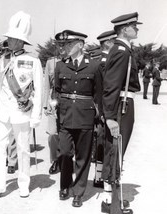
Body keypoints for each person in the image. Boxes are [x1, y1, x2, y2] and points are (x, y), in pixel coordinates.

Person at [0, 11, 43, 199]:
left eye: (12, 38)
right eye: (9, 38)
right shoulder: (4, 59)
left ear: (20, 41)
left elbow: (39, 89)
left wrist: (36, 115)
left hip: (22, 112)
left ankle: (24, 183)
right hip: (3, 111)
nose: (9, 41)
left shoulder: (34, 61)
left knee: (23, 148)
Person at [54, 29, 102, 207]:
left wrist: (99, 116)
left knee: (83, 156)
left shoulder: (94, 66)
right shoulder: (61, 65)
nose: (65, 47)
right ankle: (65, 185)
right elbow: (57, 90)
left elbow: (98, 93)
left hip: (85, 116)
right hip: (66, 115)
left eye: (69, 44)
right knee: (65, 153)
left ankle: (78, 192)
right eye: (64, 44)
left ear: (80, 45)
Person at [101, 12, 142, 213]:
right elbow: (110, 85)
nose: (138, 29)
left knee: (115, 150)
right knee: (115, 151)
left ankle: (110, 200)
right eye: (135, 26)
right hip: (121, 106)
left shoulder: (121, 49)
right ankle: (113, 204)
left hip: (122, 104)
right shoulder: (121, 51)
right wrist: (110, 117)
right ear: (125, 29)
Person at [92, 30, 117, 188]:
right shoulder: (104, 61)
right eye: (114, 40)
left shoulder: (102, 60)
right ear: (107, 43)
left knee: (102, 142)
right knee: (103, 142)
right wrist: (103, 112)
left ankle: (99, 176)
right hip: (103, 110)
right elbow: (101, 90)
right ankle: (100, 177)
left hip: (102, 109)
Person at [43, 31, 68, 175]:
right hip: (54, 100)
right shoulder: (50, 62)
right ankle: (55, 160)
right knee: (53, 134)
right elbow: (47, 84)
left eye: (64, 44)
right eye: (59, 45)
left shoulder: (73, 61)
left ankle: (67, 160)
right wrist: (45, 105)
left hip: (70, 101)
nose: (61, 47)